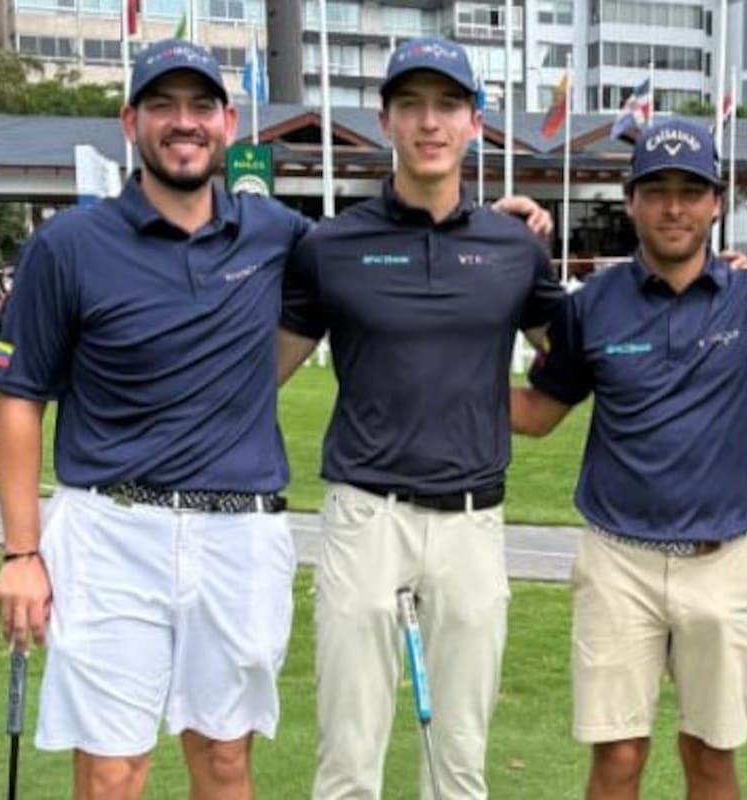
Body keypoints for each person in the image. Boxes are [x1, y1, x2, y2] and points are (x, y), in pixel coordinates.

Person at [0, 40, 313, 799]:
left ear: (229, 124)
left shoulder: (276, 235)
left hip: (240, 538)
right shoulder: (67, 246)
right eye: (162, 105)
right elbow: (18, 398)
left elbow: (378, 254)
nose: (183, 122)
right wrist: (19, 554)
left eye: (201, 106)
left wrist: (489, 224)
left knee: (226, 762)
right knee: (110, 771)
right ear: (130, 121)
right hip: (110, 535)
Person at [275, 37, 565, 799]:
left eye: (446, 106)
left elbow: (568, 358)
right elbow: (258, 373)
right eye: (411, 106)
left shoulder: (513, 247)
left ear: (474, 123)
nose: (428, 123)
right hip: (364, 515)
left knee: (459, 761)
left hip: (473, 522)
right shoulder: (330, 247)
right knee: (347, 757)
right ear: (385, 122)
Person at [510, 118, 747, 800]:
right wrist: (428, 386)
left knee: (711, 757)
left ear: (716, 201)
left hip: (723, 562)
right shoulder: (591, 308)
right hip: (618, 563)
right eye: (658, 189)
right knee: (617, 759)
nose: (675, 206)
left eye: (691, 191)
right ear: (630, 198)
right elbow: (538, 414)